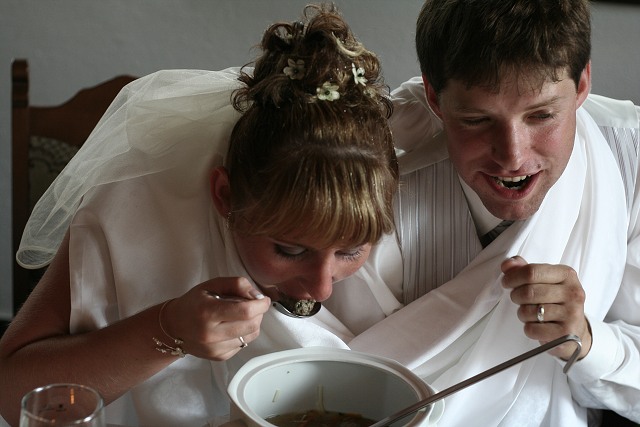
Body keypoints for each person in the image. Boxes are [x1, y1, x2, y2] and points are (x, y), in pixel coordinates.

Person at [0, 4, 403, 426]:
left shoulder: (400, 225)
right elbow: (12, 391)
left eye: (350, 251)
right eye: (289, 249)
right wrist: (168, 330)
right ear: (225, 195)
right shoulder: (133, 207)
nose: (321, 289)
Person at [348, 0, 640, 425]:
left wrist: (587, 339)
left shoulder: (631, 159)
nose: (512, 156)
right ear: (434, 97)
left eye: (542, 115)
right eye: (476, 120)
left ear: (581, 85)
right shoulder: (373, 171)